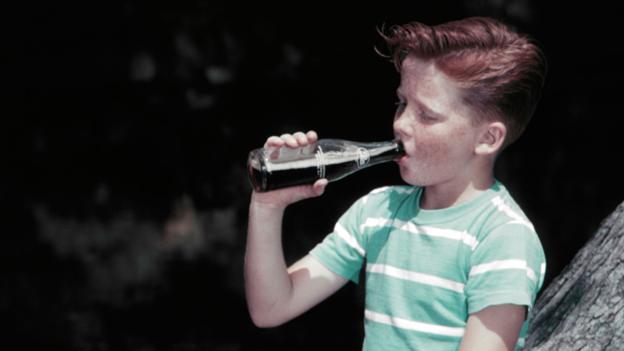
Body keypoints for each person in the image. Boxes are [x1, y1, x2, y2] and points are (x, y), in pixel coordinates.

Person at [245, 16, 547, 350]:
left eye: (427, 115)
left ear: (488, 138)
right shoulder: (378, 212)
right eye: (402, 103)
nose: (401, 124)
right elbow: (270, 308)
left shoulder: (503, 236)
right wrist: (266, 206)